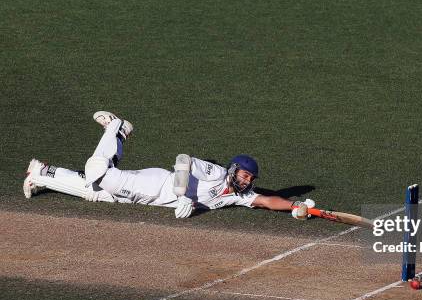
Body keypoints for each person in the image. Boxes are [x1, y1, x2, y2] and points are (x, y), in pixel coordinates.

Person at [23, 111, 314, 219]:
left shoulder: (240, 196)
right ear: (233, 169)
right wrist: (182, 196)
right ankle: (116, 128)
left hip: (153, 202)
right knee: (98, 174)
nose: (248, 181)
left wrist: (295, 207)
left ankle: (42, 173)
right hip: (157, 184)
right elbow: (182, 161)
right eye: (244, 174)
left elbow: (267, 200)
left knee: (97, 192)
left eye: (251, 178)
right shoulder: (214, 173)